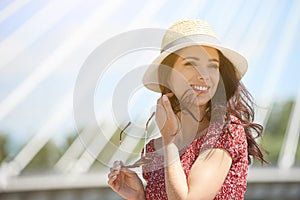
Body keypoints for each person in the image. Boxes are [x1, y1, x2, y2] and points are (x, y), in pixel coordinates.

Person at [107, 19, 266, 200]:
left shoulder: (225, 133)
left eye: (213, 65)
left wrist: (170, 142)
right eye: (191, 64)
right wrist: (139, 197)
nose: (204, 75)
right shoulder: (155, 149)